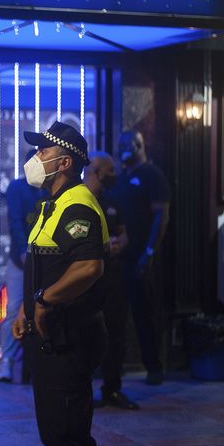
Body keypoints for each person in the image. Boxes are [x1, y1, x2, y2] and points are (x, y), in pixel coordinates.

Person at [12, 121, 107, 446]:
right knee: (54, 429)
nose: (35, 157)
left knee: (67, 433)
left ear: (64, 163)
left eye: (43, 151)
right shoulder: (54, 203)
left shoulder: (77, 205)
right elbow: (51, 267)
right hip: (52, 335)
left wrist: (44, 300)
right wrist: (28, 307)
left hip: (70, 336)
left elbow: (89, 266)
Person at [109, 130, 170, 385]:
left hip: (141, 258)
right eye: (121, 143)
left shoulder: (152, 175)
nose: (124, 147)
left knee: (144, 314)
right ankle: (115, 368)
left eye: (128, 144)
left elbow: (161, 216)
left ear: (140, 145)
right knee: (117, 316)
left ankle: (154, 366)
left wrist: (149, 252)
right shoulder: (123, 177)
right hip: (120, 257)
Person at [84, 151, 138, 410]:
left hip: (113, 278)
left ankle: (112, 389)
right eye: (110, 170)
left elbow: (123, 235)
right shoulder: (78, 202)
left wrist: (119, 244)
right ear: (96, 171)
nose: (115, 175)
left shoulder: (112, 201)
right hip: (86, 282)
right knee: (85, 335)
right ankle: (82, 391)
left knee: (116, 334)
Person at [0, 149, 47, 383]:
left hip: (45, 259)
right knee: (13, 310)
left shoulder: (49, 189)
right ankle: (6, 362)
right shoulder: (17, 188)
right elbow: (15, 223)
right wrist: (22, 253)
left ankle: (35, 362)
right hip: (20, 260)